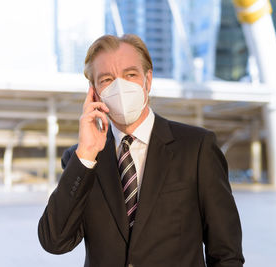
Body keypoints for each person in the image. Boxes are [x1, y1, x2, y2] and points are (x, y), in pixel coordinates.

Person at [38, 34, 244, 267]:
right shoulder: (83, 159)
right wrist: (85, 154)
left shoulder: (196, 147)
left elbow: (227, 253)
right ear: (93, 92)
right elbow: (54, 241)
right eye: (106, 79)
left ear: (148, 79)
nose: (120, 86)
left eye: (130, 75)